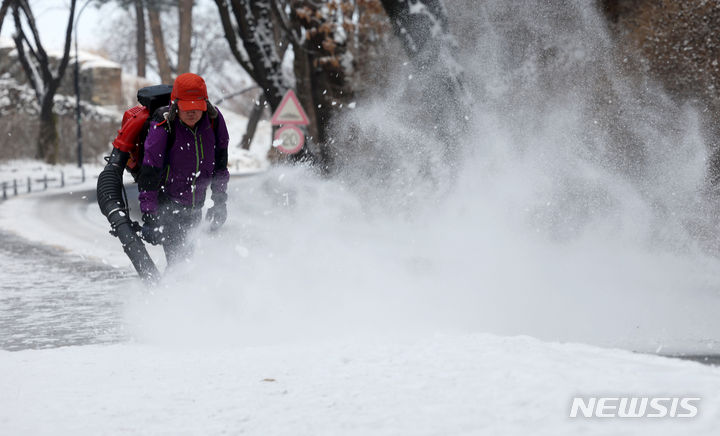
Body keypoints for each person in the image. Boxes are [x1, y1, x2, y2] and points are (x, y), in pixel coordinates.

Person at [138, 73, 230, 265]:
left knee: (187, 260)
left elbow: (220, 165)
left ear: (205, 103)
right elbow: (150, 171)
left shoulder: (214, 121)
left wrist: (219, 201)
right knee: (179, 262)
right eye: (186, 108)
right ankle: (171, 292)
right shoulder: (164, 125)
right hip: (169, 203)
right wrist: (149, 214)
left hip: (196, 205)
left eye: (197, 107)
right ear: (175, 104)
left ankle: (173, 291)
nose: (191, 113)